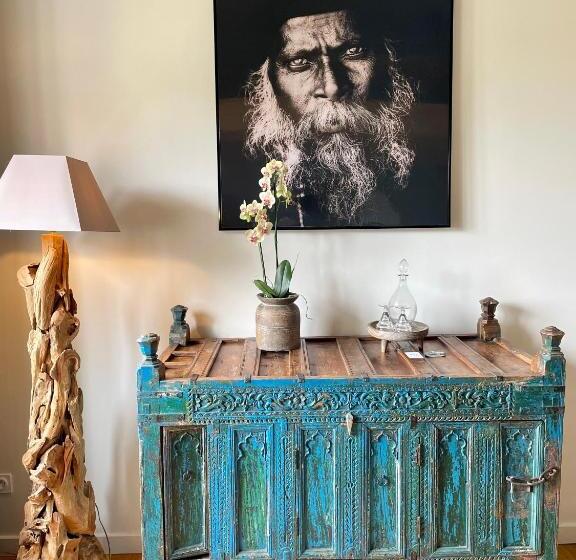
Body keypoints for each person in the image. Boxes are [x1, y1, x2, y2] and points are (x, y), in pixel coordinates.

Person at [243, 3, 416, 227]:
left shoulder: (429, 185)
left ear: (388, 62)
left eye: (353, 51)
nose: (332, 87)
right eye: (299, 62)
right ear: (268, 82)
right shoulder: (251, 197)